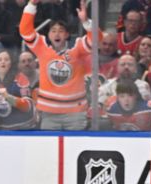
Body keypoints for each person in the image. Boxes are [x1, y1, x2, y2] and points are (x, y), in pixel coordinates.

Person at [19, 0, 96, 130]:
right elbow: (25, 31)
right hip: (49, 113)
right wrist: (32, 4)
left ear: (66, 35)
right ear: (48, 35)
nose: (57, 33)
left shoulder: (77, 49)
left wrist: (86, 22)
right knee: (49, 150)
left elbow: (96, 40)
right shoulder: (42, 48)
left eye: (61, 30)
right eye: (53, 31)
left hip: (75, 113)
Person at [0, 50, 37, 130]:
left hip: (23, 128)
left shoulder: (21, 78)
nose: (3, 62)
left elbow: (28, 106)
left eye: (6, 60)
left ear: (10, 64)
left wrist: (8, 97)